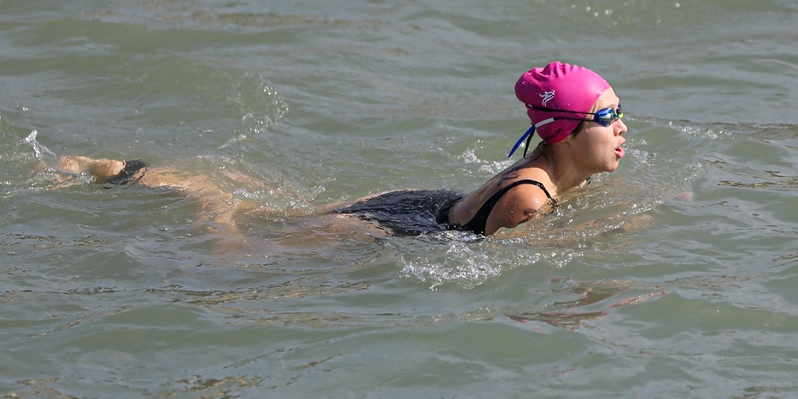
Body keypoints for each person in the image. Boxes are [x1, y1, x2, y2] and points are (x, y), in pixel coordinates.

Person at [56, 61, 628, 239]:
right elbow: (511, 271)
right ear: (562, 132)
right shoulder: (528, 201)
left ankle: (135, 175)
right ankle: (166, 186)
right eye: (606, 117)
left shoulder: (555, 173)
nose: (622, 127)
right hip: (400, 226)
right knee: (238, 253)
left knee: (273, 215)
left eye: (620, 112)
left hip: (426, 205)